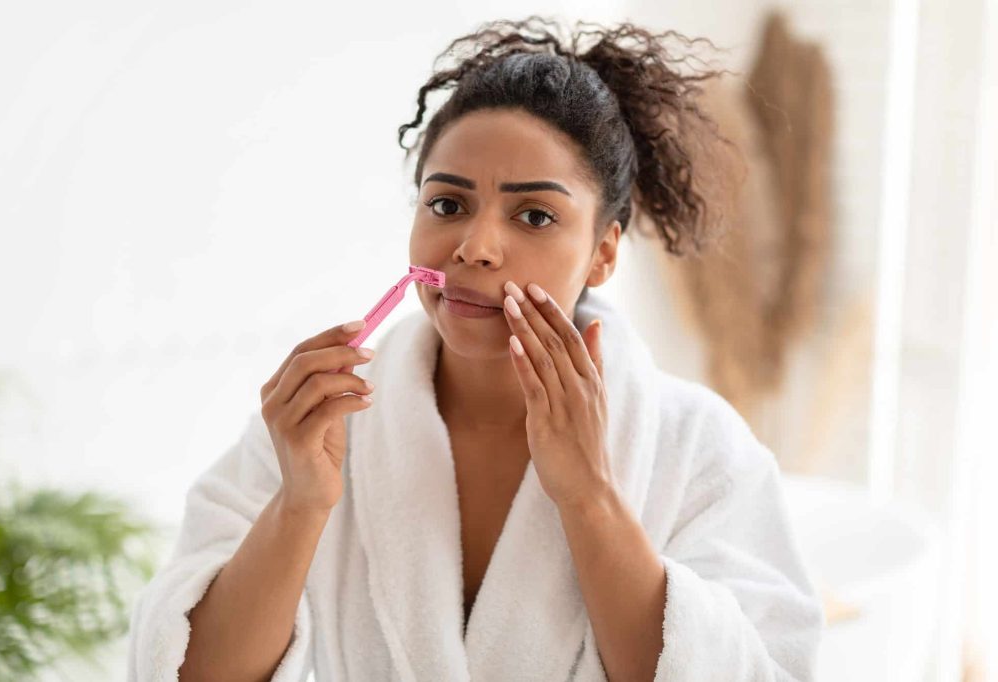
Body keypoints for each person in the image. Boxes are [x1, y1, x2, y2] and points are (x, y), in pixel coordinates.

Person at [128, 16, 824, 682]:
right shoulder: (321, 427)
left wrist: (589, 497)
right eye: (447, 204)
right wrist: (301, 505)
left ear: (603, 253)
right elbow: (190, 671)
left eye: (535, 216)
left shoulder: (698, 449)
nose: (474, 247)